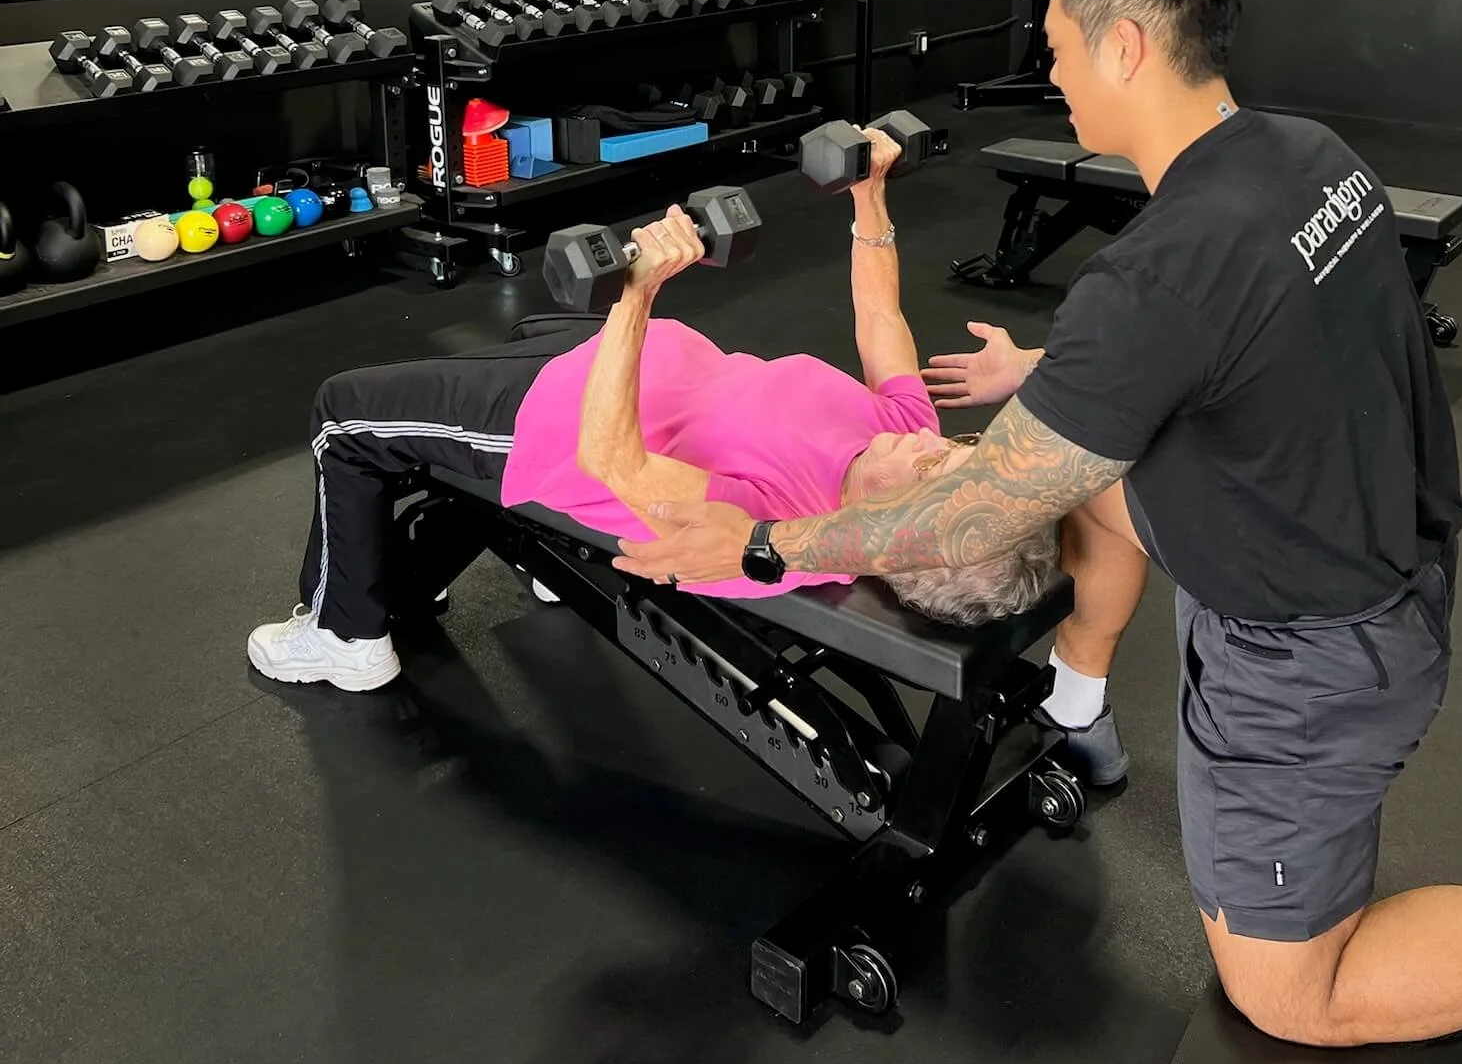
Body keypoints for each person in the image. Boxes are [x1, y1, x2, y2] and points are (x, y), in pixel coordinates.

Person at [619, 0, 1462, 1052]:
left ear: (1128, 45)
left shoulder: (1155, 277)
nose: (1052, 75)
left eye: (1056, 50)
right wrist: (1045, 371)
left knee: (1292, 994)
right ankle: (1081, 700)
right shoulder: (1308, 155)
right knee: (1092, 472)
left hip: (1313, 652)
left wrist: (756, 544)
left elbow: (957, 517)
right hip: (1387, 545)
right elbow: (1246, 332)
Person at [247, 127, 1055, 695]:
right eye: (957, 457)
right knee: (532, 322)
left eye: (931, 477)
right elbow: (882, 323)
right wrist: (869, 195)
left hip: (549, 423)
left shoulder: (772, 529)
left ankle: (344, 633)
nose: (931, 447)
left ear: (894, 549)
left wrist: (637, 294)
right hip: (615, 361)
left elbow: (614, 462)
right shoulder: (900, 439)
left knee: (343, 415)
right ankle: (537, 556)